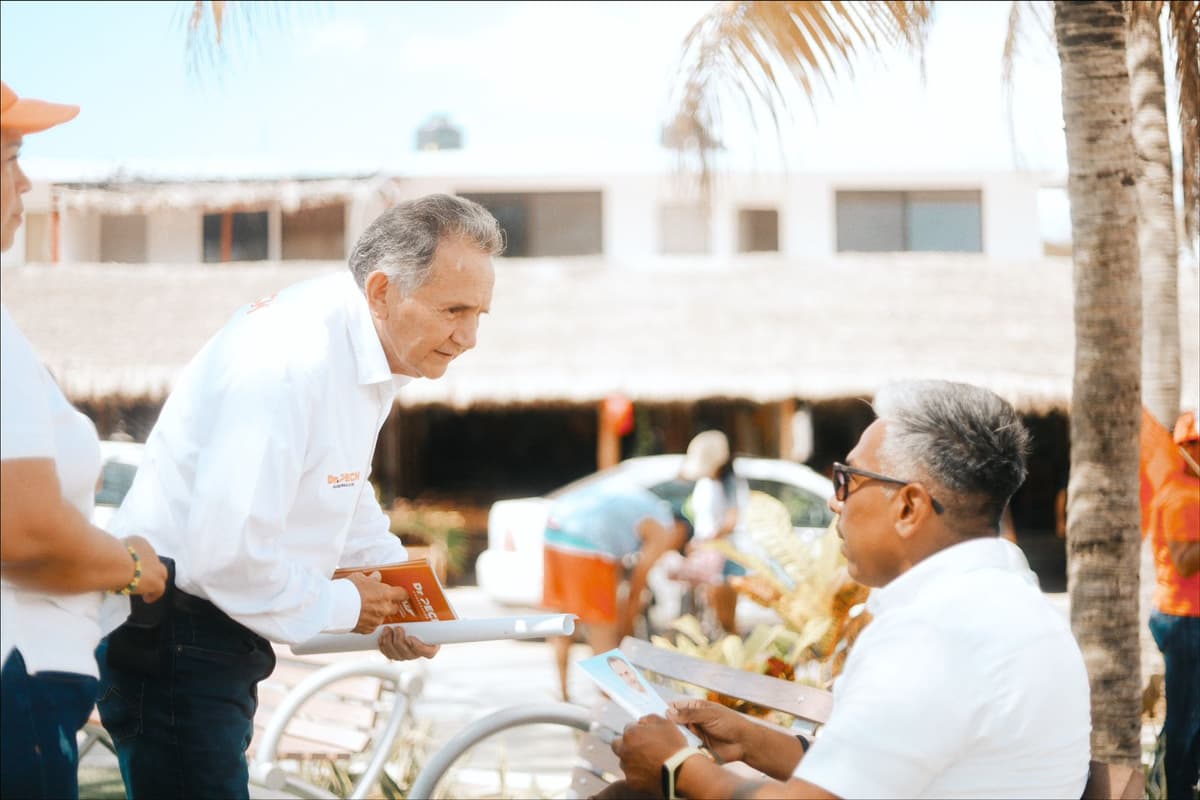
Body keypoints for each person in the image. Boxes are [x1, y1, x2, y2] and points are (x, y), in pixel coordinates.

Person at [96, 193, 502, 799]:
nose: (468, 337)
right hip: (178, 626)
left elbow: (342, 489)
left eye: (479, 315)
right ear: (382, 291)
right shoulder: (292, 359)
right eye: (454, 310)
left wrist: (404, 599)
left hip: (206, 628)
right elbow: (225, 555)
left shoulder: (363, 345)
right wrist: (349, 604)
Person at [610, 380, 1092, 799]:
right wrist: (751, 741)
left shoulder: (933, 634)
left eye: (848, 480)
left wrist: (676, 766)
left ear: (908, 507)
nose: (834, 502)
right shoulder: (1005, 603)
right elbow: (873, 776)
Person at [1, 80, 169, 800]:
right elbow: (26, 533)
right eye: (10, 157)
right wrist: (133, 567)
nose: (25, 182)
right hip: (18, 686)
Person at [542, 478, 692, 701]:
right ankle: (615, 701)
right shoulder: (665, 527)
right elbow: (637, 585)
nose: (672, 549)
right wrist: (625, 631)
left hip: (555, 532)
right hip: (588, 544)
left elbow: (619, 571)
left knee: (562, 620)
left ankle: (562, 694)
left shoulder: (645, 506)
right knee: (603, 629)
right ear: (682, 530)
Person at [1145, 408, 1199, 799]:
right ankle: (1173, 790)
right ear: (1188, 448)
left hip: (1189, 617)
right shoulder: (1181, 497)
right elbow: (1185, 561)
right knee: (1186, 717)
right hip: (1184, 620)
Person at [678, 430, 749, 633]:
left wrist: (705, 542)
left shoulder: (731, 484)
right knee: (706, 620)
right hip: (708, 558)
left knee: (726, 621)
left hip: (728, 558)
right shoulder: (706, 483)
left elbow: (731, 521)